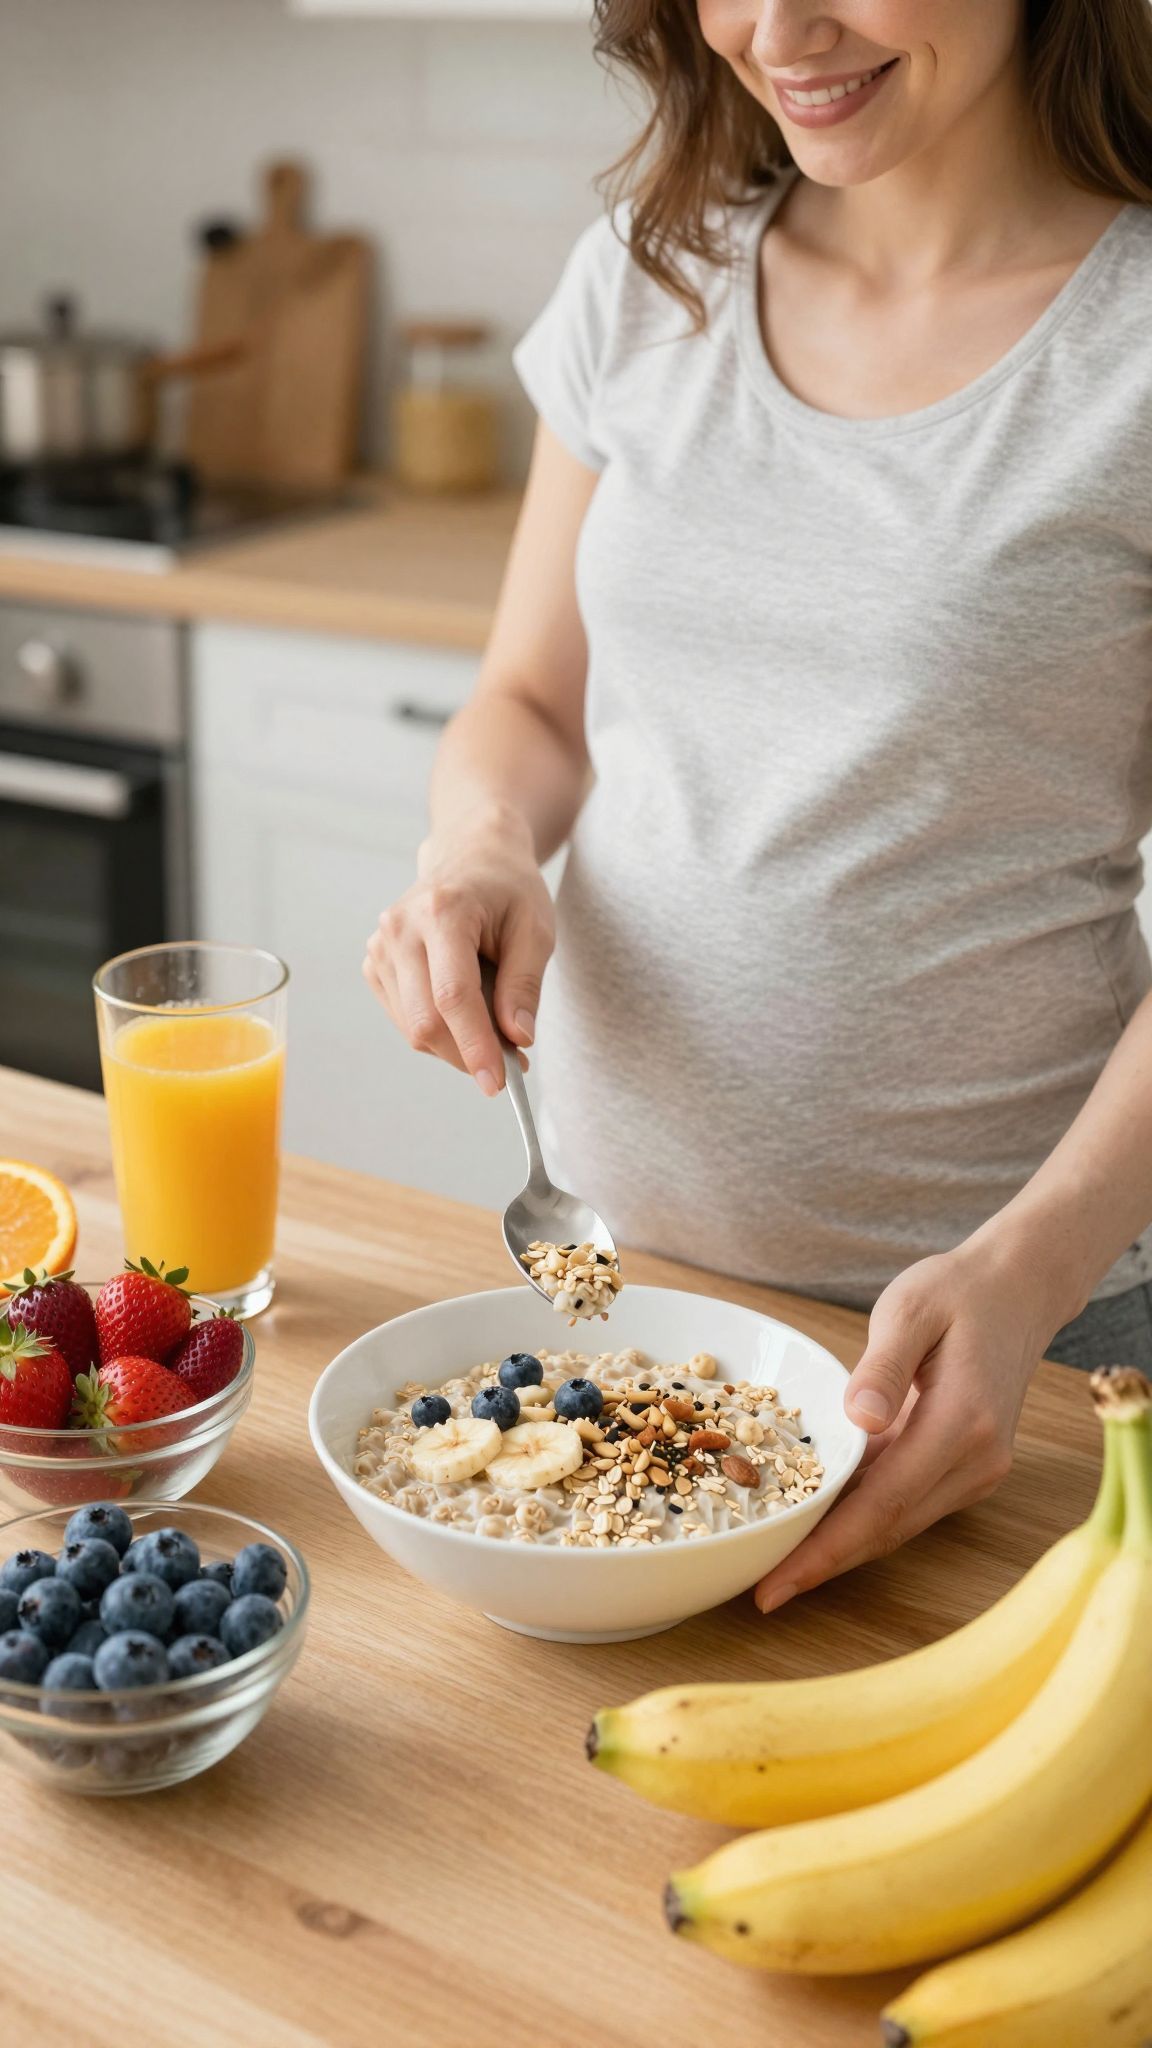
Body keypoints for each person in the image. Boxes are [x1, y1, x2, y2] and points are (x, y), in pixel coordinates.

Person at [364, 0, 1152, 1614]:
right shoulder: (650, 273)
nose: (778, 30)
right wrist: (481, 846)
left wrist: (1034, 1270)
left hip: (1020, 1346)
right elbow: (531, 704)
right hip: (615, 1295)